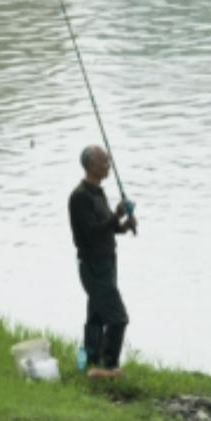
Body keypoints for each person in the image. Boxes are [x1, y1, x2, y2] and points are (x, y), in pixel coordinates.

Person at [68, 145, 138, 377]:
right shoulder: (79, 197)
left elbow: (107, 227)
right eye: (104, 161)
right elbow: (91, 233)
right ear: (90, 166)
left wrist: (124, 226)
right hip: (92, 266)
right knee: (118, 318)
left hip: (108, 263)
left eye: (108, 161)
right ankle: (110, 366)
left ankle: (90, 359)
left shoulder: (98, 192)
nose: (109, 165)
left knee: (97, 315)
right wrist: (116, 215)